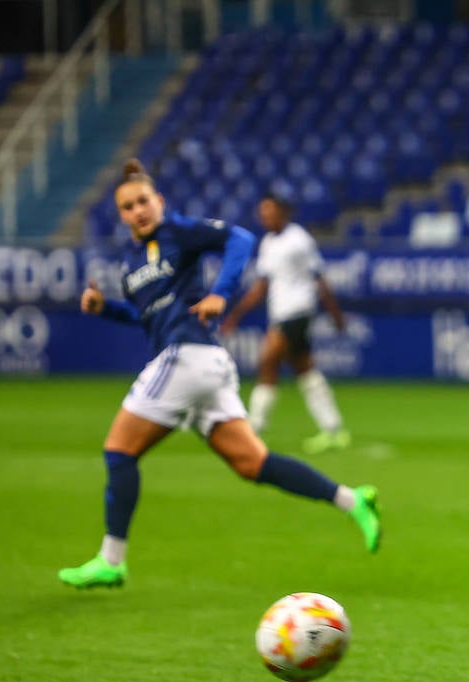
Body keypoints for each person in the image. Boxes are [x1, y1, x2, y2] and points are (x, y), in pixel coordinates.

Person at [57, 160, 381, 590]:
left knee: (119, 450)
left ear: (160, 201)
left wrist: (220, 294)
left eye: (144, 201)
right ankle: (351, 499)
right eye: (128, 205)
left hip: (188, 356)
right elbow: (145, 318)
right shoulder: (133, 263)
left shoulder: (179, 232)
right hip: (200, 364)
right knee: (253, 463)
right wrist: (106, 309)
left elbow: (240, 238)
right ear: (121, 215)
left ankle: (112, 560)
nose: (138, 210)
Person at [219, 192, 350, 454]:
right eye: (262, 212)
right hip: (281, 313)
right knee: (305, 369)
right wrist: (236, 314)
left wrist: (334, 312)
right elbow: (261, 286)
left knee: (267, 362)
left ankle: (253, 428)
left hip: (298, 310)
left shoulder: (299, 240)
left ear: (283, 212)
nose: (264, 216)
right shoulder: (268, 242)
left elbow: (319, 277)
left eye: (269, 211)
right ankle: (334, 429)